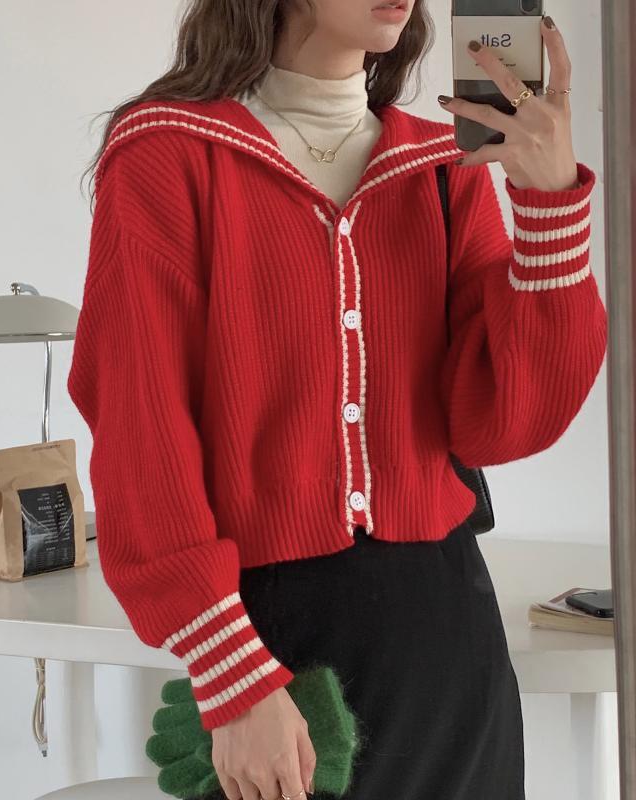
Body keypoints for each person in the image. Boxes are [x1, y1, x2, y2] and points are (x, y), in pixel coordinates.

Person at [67, 2, 607, 799]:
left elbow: (504, 425)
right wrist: (232, 678)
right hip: (266, 642)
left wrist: (550, 206)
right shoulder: (169, 156)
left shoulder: (439, 168)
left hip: (448, 634)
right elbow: (141, 431)